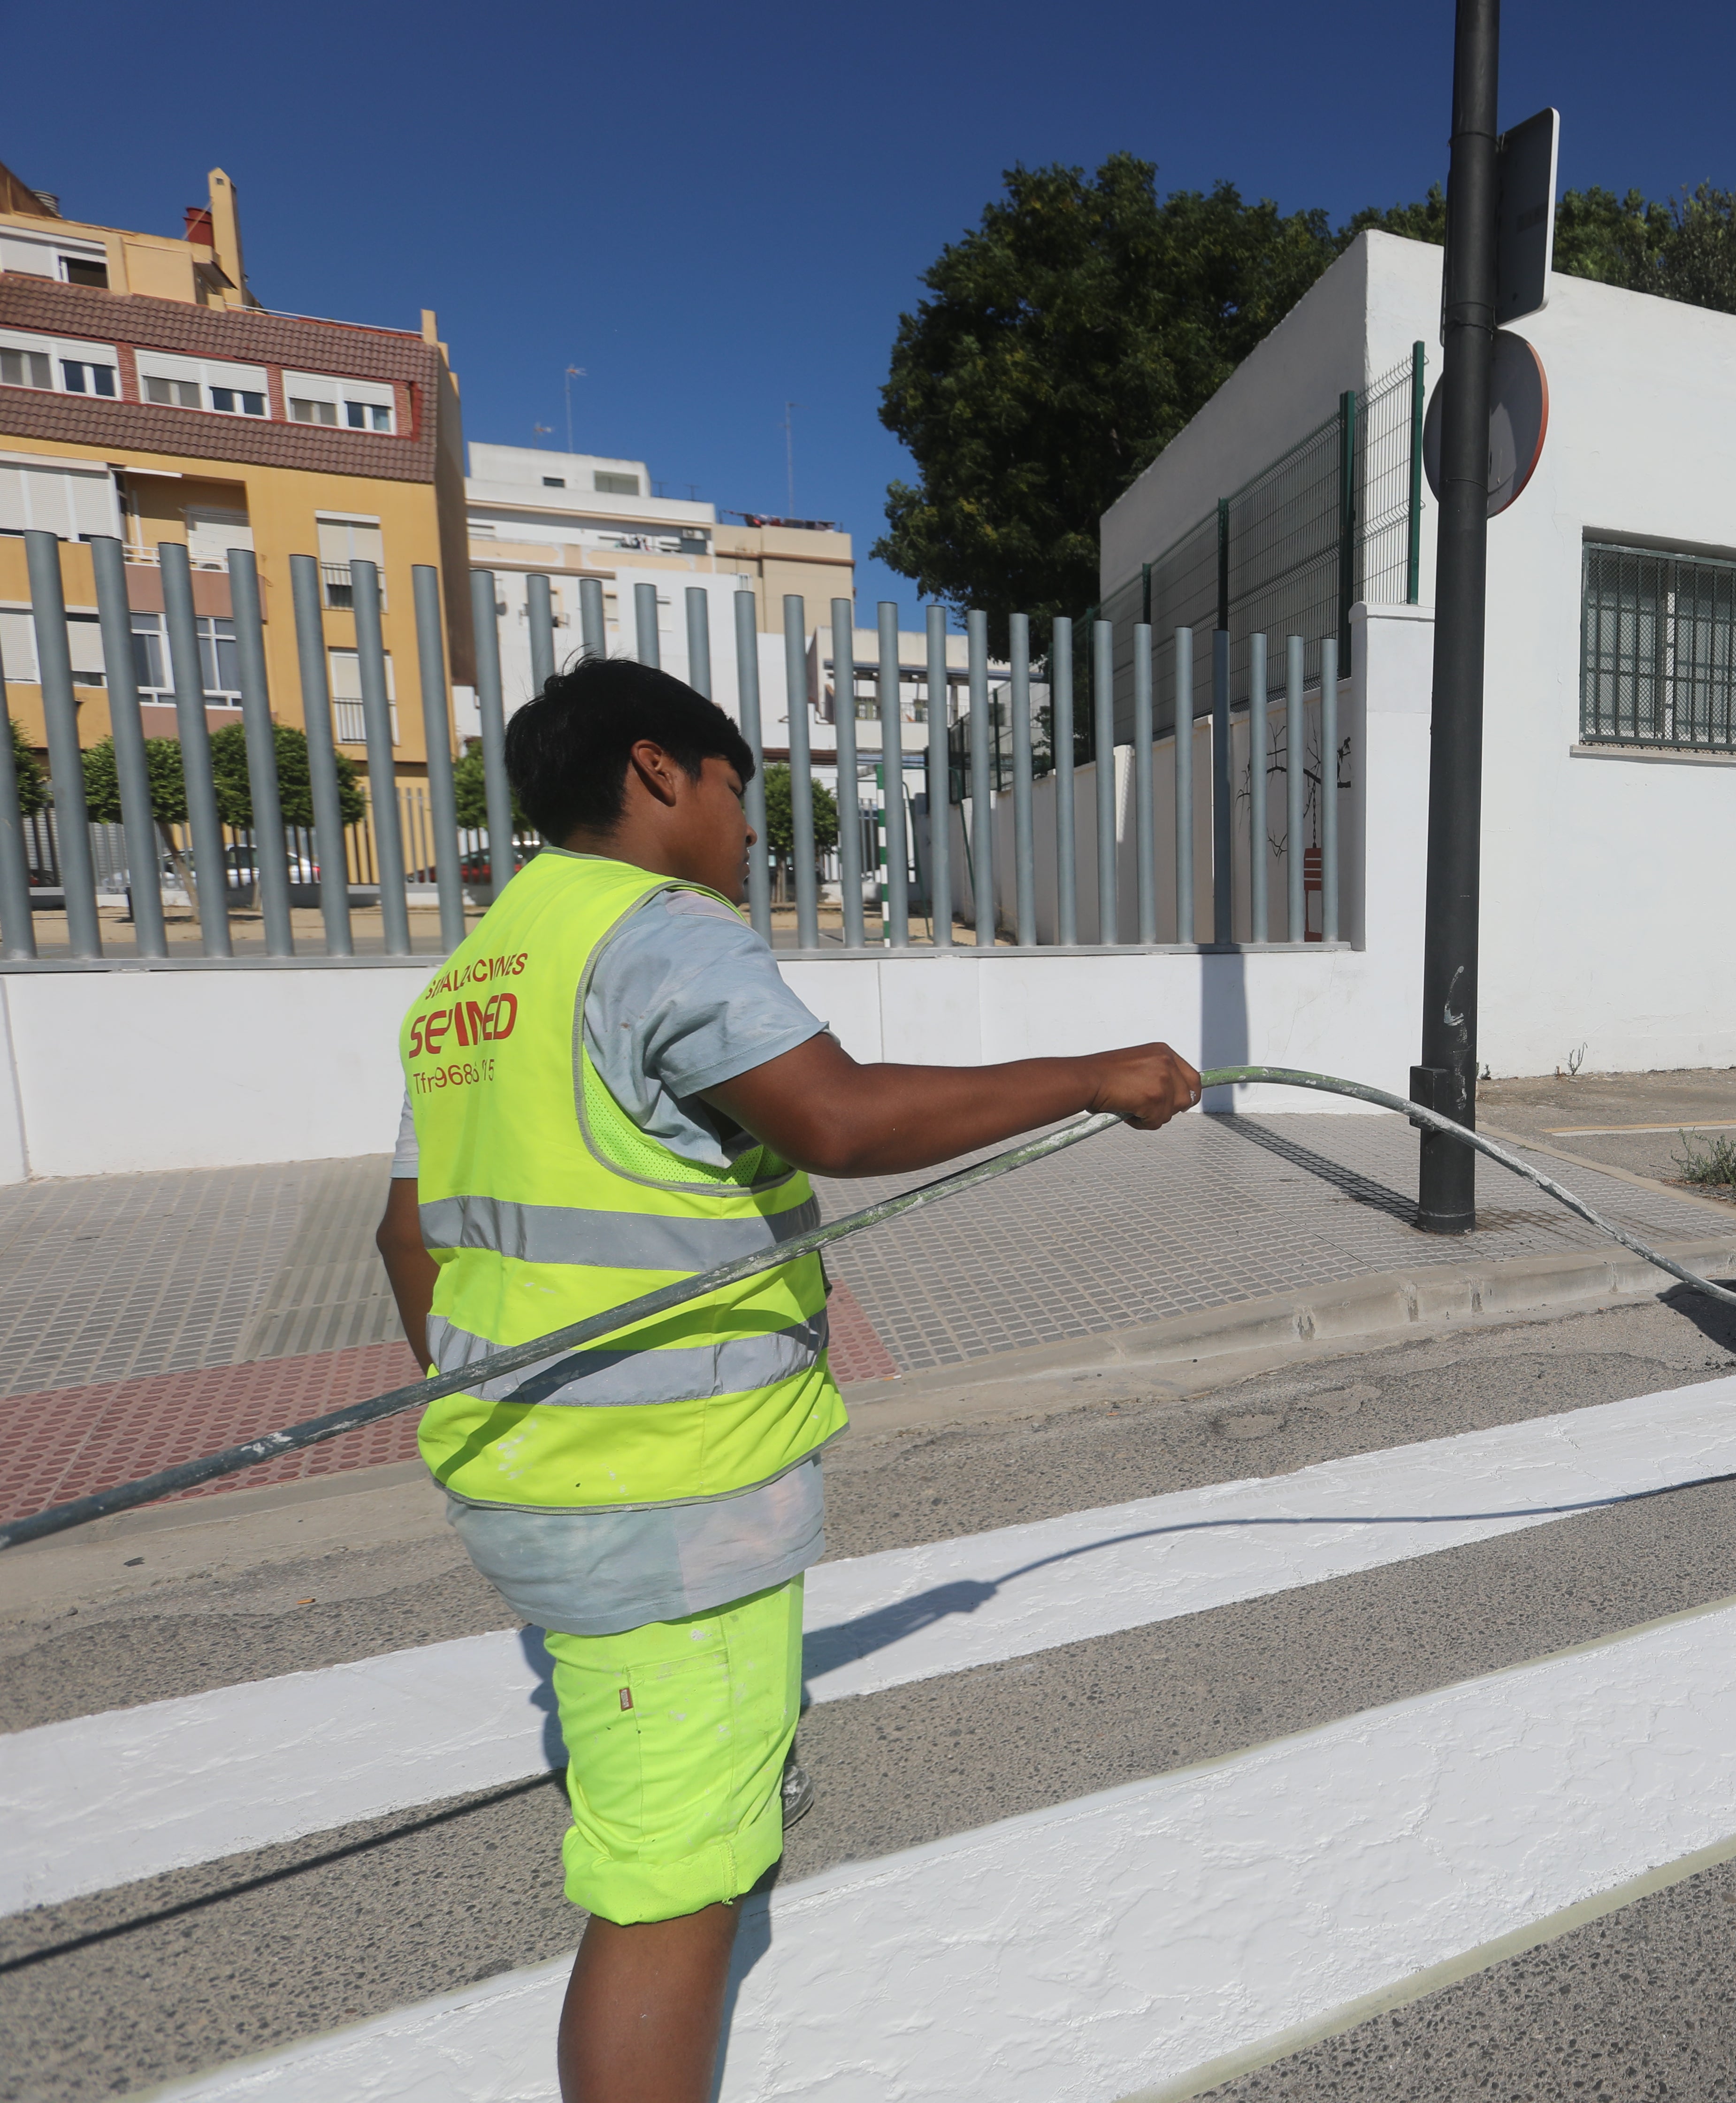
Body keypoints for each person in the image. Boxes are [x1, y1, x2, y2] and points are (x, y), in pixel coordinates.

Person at [373, 658, 1202, 2103]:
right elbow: (833, 1112)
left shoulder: (479, 974)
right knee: (668, 1887)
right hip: (666, 1494)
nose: (755, 830)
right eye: (738, 792)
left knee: (666, 1796)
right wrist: (1090, 1073)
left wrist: (524, 1411)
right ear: (655, 773)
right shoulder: (662, 931)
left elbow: (404, 1232)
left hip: (533, 1474)